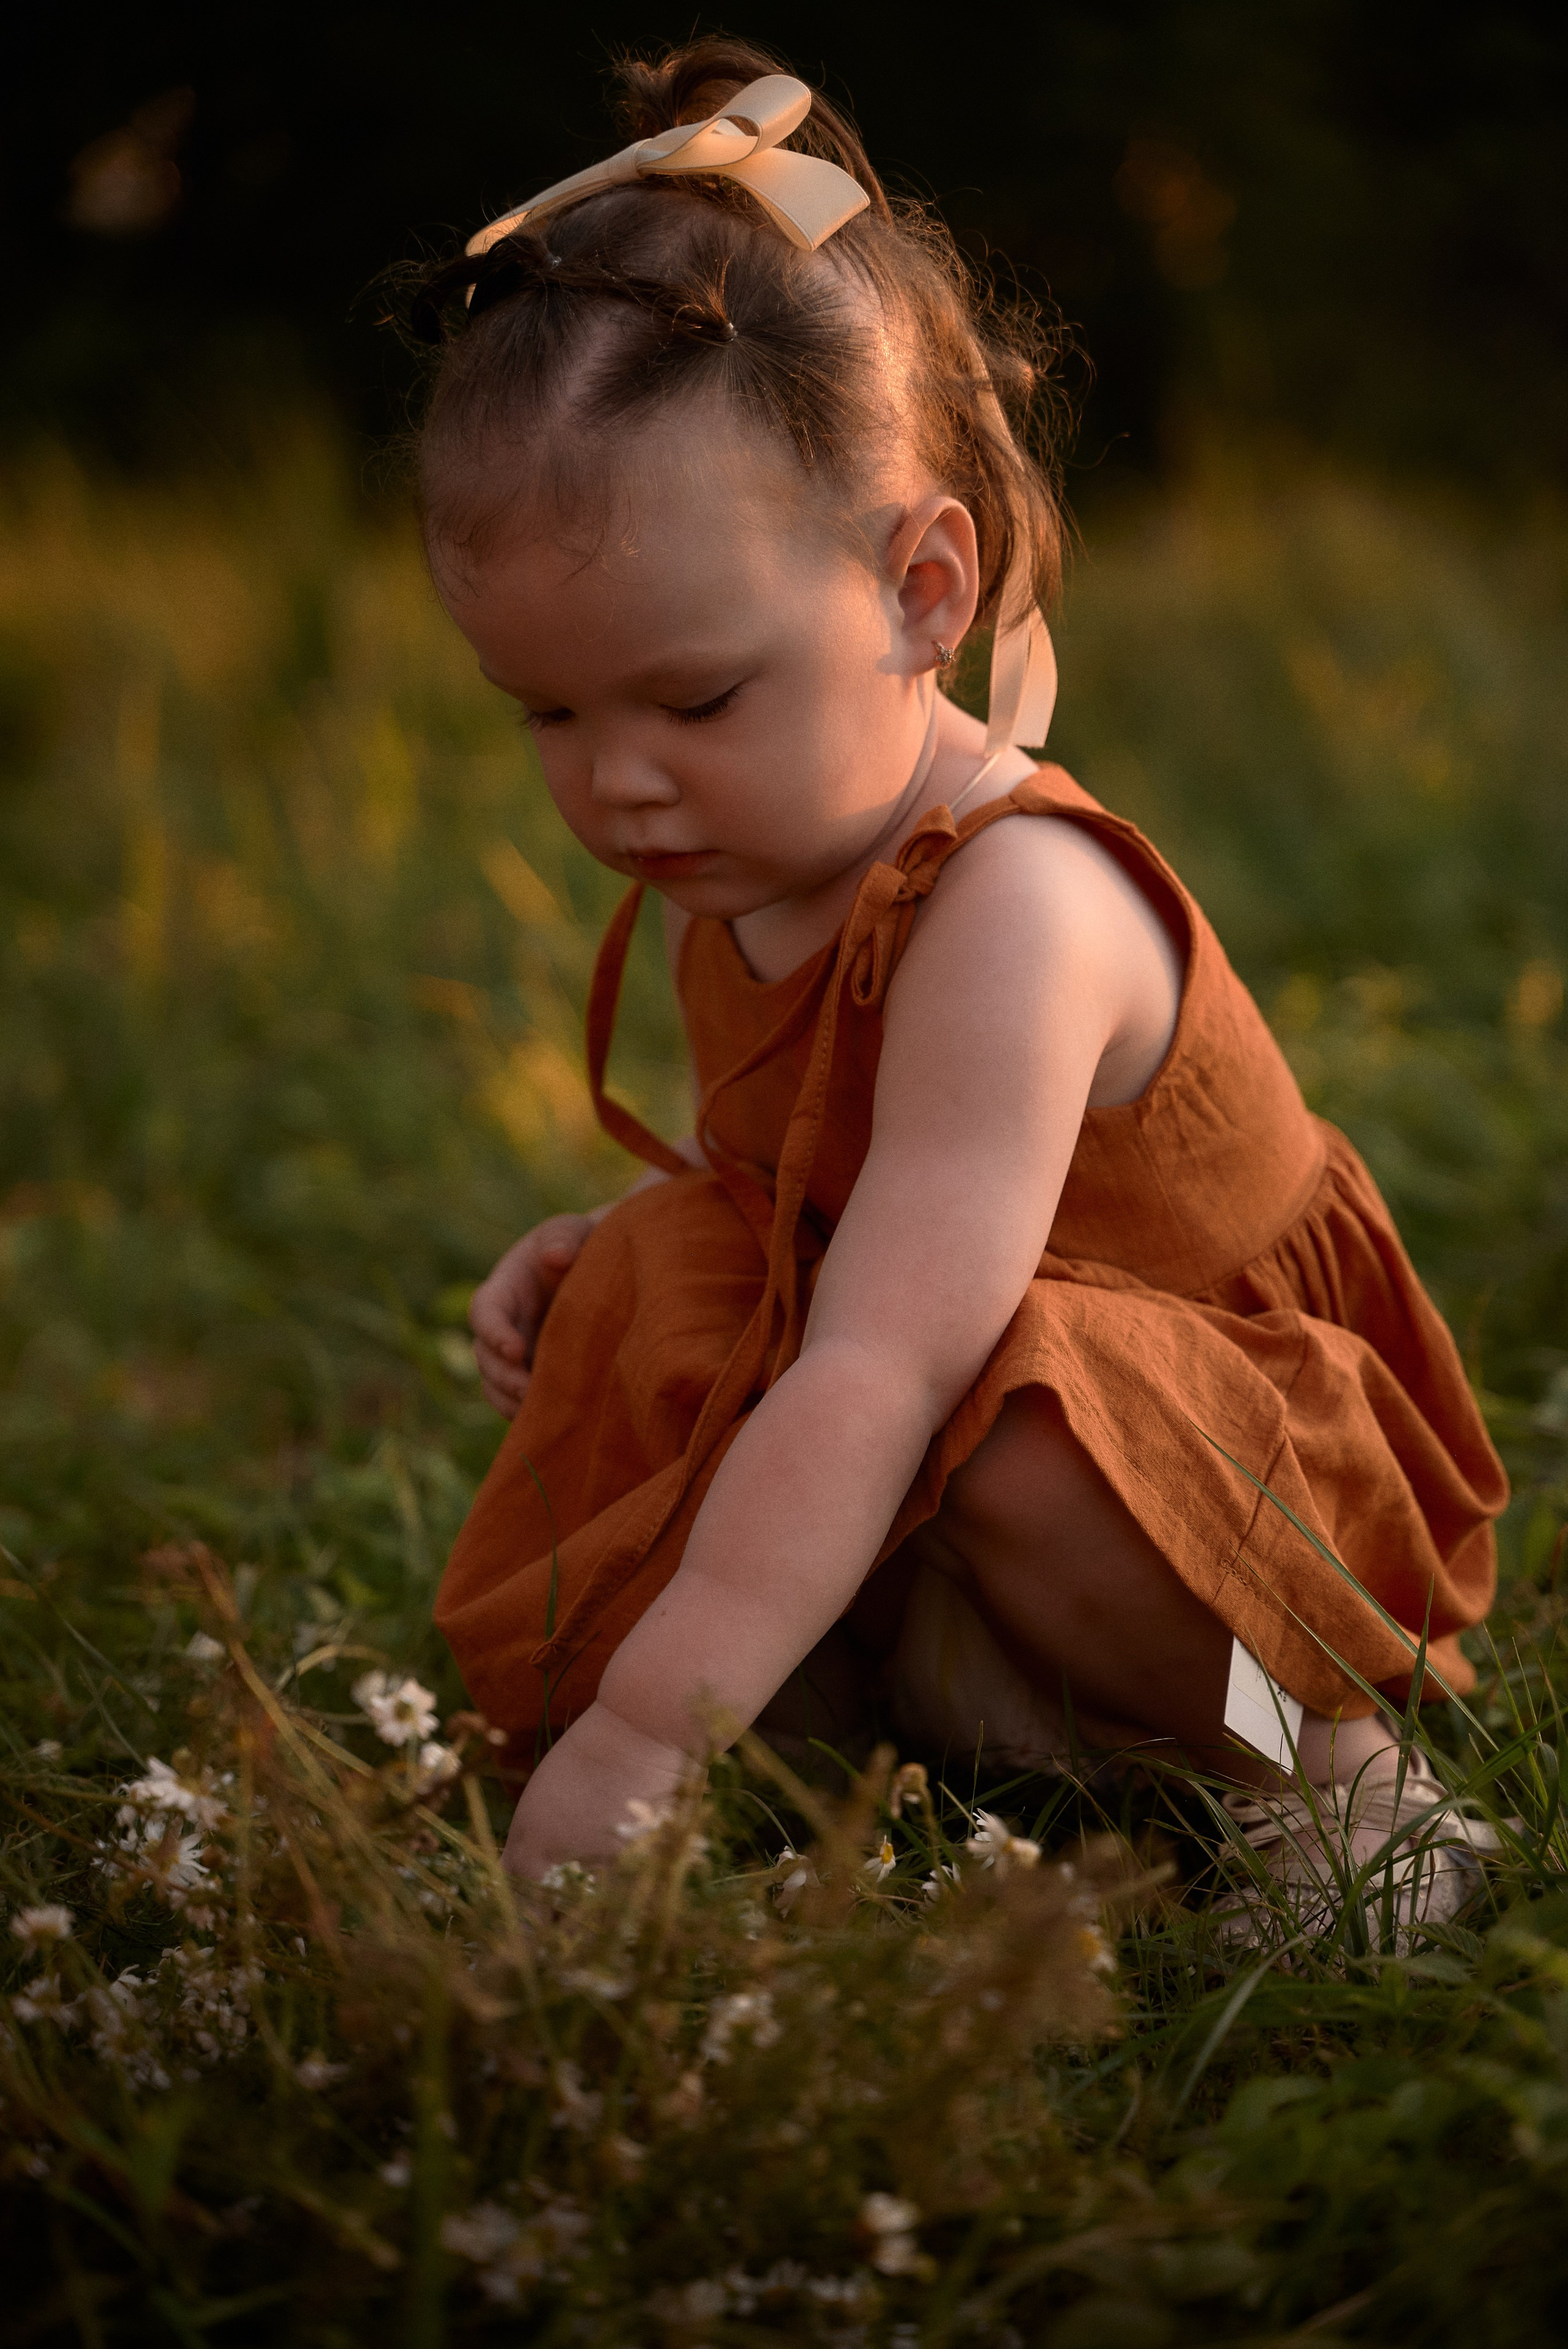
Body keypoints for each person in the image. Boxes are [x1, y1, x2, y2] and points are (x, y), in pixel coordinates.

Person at [408, 40, 1507, 1928]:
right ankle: (939, 1711)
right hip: (957, 1414)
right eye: (552, 716)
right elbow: (830, 1188)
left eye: (693, 695)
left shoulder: (1020, 908)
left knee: (1000, 1408)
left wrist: (641, 1745)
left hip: (1234, 1495)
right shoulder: (742, 851)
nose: (622, 779)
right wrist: (627, 1229)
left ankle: (1326, 1771)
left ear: (928, 588)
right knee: (675, 1277)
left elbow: (898, 1347)